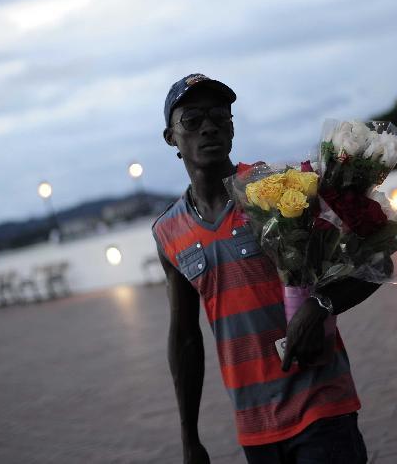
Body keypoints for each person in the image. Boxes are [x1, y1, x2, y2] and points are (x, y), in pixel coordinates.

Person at [152, 74, 382, 463]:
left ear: (232, 127)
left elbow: (376, 261)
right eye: (192, 120)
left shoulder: (278, 188)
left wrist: (321, 304)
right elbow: (185, 338)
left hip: (321, 407)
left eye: (220, 116)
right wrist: (189, 437)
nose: (209, 126)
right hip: (254, 426)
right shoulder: (168, 231)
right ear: (171, 138)